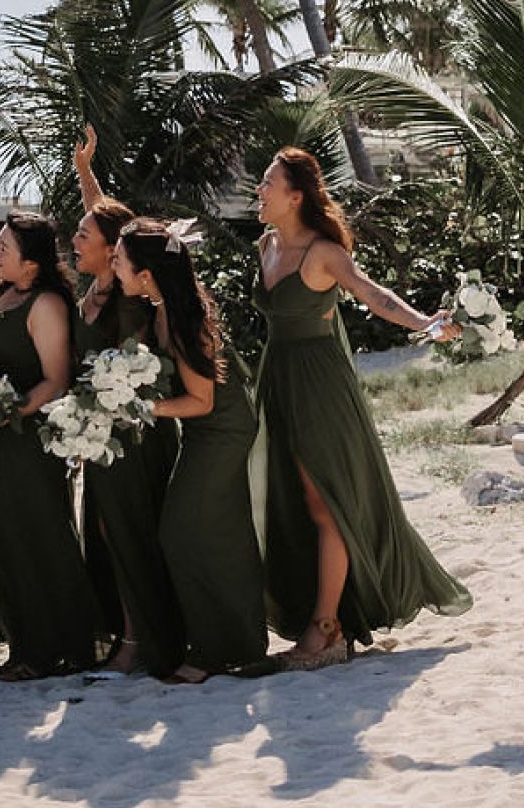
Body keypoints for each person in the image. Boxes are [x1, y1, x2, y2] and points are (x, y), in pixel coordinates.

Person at [256, 148, 472, 666]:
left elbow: (375, 297)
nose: (259, 190)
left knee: (324, 502)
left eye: (268, 182)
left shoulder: (323, 252)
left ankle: (327, 630)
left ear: (296, 195)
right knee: (291, 503)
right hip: (277, 381)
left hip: (320, 388)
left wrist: (425, 323)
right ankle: (327, 617)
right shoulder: (264, 246)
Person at [0, 207, 100, 680]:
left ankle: (54, 646)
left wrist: (5, 413)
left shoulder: (45, 305)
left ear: (31, 263)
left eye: (6, 246)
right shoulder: (0, 291)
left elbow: (55, 381)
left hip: (25, 441)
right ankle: (23, 644)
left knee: (35, 535)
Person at [113, 222, 266, 679]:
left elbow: (202, 401)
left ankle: (217, 649)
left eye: (120, 260)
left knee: (183, 532)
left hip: (222, 429)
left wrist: (141, 407)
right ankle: (227, 643)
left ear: (146, 274)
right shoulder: (159, 308)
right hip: (203, 431)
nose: (114, 266)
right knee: (201, 533)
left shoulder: (183, 319)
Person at [65, 132, 173, 675]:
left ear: (112, 251)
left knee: (130, 531)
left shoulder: (129, 301)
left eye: (82, 236)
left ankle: (137, 638)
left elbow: (143, 373)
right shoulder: (99, 284)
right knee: (106, 530)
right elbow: (100, 215)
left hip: (134, 434)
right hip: (102, 433)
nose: (74, 240)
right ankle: (125, 631)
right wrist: (85, 168)